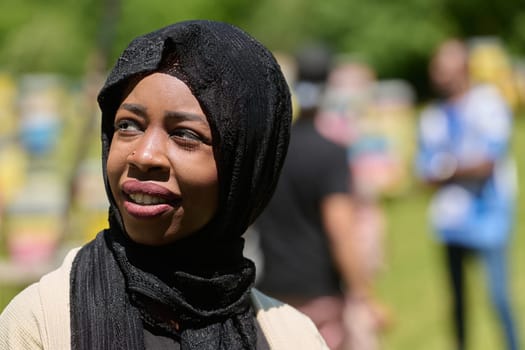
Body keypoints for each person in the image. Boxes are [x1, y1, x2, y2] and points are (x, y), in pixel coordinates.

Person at [0, 20, 329, 349]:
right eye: (128, 125)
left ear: (244, 168)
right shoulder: (42, 325)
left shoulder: (291, 337)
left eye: (185, 134)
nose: (143, 156)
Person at [254, 44, 386, 350]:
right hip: (319, 296)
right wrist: (363, 295)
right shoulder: (330, 153)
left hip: (271, 291)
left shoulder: (272, 153)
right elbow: (340, 230)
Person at [416, 38, 518, 350]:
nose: (439, 75)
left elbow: (488, 163)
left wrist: (446, 170)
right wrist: (454, 169)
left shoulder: (487, 103)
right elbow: (422, 173)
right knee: (458, 301)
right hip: (451, 219)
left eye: (445, 68)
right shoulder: (432, 116)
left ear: (464, 67)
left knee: (498, 297)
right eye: (436, 69)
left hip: (489, 216)